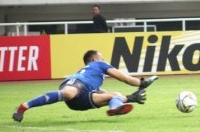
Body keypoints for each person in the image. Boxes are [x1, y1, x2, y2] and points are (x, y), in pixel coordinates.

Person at [13, 50, 158, 122]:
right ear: (94, 59)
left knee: (114, 95)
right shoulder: (98, 65)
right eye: (101, 57)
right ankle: (24, 106)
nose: (104, 59)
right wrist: (142, 83)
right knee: (69, 93)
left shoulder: (94, 76)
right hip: (75, 85)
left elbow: (102, 95)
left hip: (81, 100)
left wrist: (130, 98)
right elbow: (124, 77)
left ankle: (114, 109)